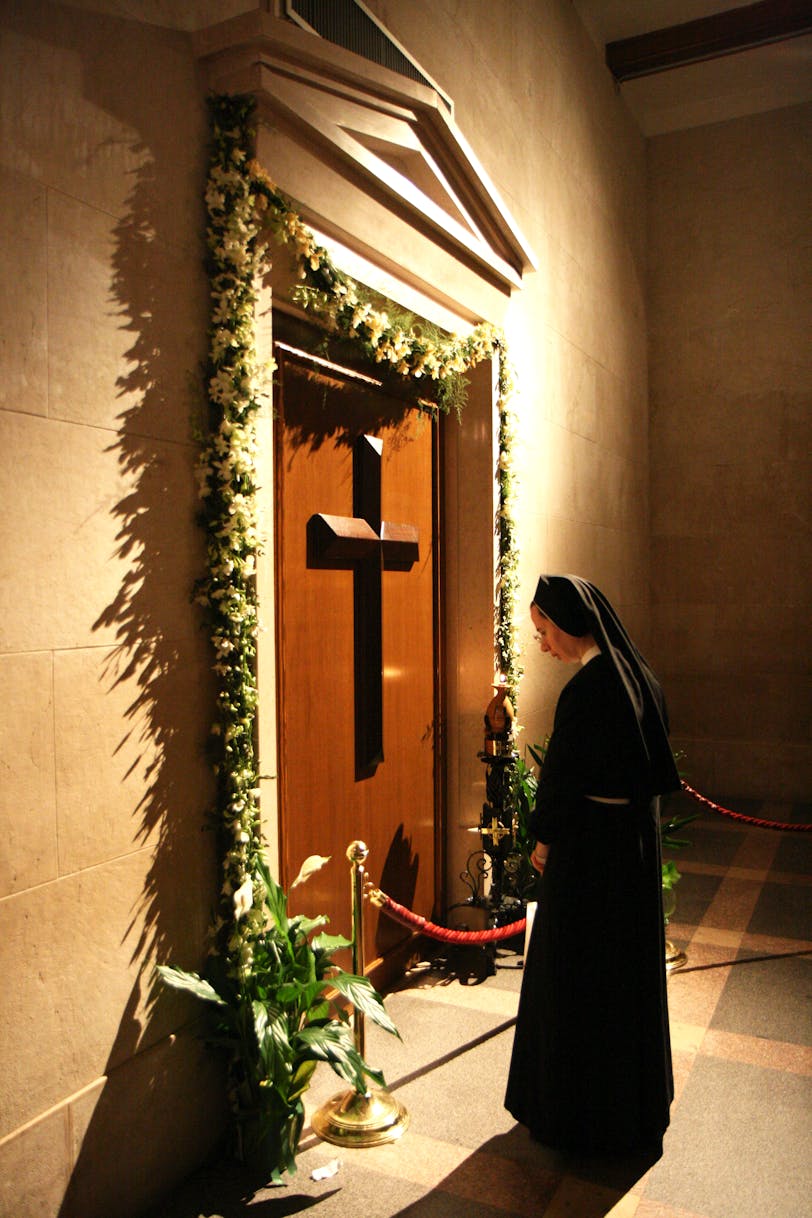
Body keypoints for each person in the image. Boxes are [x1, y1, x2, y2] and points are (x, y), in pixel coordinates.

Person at [505, 574, 681, 1158]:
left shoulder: (587, 689)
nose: (543, 643)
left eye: (543, 630)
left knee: (579, 980)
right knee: (626, 979)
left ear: (565, 622)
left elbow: (561, 779)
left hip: (590, 857)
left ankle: (579, 1118)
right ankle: (633, 1111)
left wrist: (544, 841)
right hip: (630, 847)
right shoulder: (638, 673)